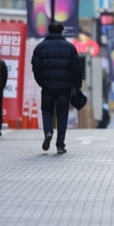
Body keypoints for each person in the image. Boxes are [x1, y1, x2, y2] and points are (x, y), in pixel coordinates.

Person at [31, 23, 81, 154]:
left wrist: (42, 82)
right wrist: (76, 86)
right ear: (62, 32)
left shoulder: (40, 47)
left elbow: (36, 68)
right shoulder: (70, 48)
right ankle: (60, 145)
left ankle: (48, 132)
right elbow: (76, 69)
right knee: (62, 115)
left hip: (47, 86)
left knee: (47, 111)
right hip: (64, 88)